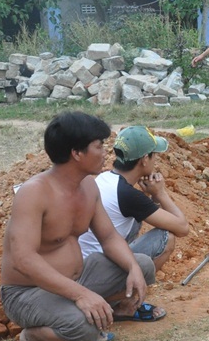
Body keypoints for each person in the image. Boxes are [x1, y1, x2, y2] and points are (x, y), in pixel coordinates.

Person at [0, 111, 155, 341]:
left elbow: (108, 237)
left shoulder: (88, 187)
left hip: (76, 279)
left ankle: (100, 311)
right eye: (99, 146)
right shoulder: (34, 192)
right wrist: (81, 295)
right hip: (27, 293)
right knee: (84, 329)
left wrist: (132, 268)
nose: (106, 152)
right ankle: (34, 338)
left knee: (142, 265)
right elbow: (24, 259)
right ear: (77, 153)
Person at [78, 125, 189, 322]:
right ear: (144, 159)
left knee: (135, 224)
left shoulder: (105, 178)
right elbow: (182, 228)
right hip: (94, 276)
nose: (155, 160)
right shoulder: (127, 195)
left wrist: (149, 196)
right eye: (154, 155)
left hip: (85, 268)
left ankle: (114, 299)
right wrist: (160, 193)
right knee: (166, 237)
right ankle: (123, 304)